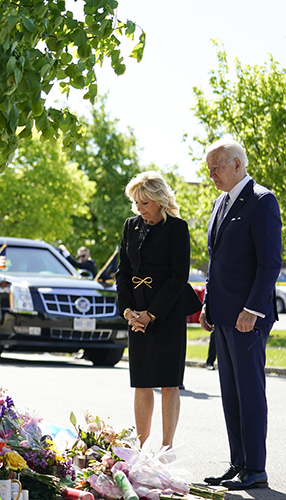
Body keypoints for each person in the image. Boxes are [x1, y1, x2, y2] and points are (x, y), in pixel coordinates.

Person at [200, 138, 281, 490]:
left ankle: (256, 470)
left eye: (216, 166)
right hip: (223, 316)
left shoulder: (262, 201)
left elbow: (270, 262)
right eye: (208, 168)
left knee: (249, 393)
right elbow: (216, 260)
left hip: (248, 318)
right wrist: (208, 305)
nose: (211, 174)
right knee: (231, 394)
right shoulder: (220, 201)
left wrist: (252, 308)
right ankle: (239, 464)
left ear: (237, 164)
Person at [115, 171, 201, 449]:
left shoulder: (177, 227)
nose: (140, 209)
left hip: (167, 313)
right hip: (136, 313)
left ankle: (166, 448)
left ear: (160, 200)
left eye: (145, 203)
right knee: (141, 382)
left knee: (168, 383)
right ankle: (141, 448)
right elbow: (123, 272)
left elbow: (179, 276)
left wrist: (151, 315)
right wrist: (129, 311)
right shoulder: (131, 226)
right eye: (136, 204)